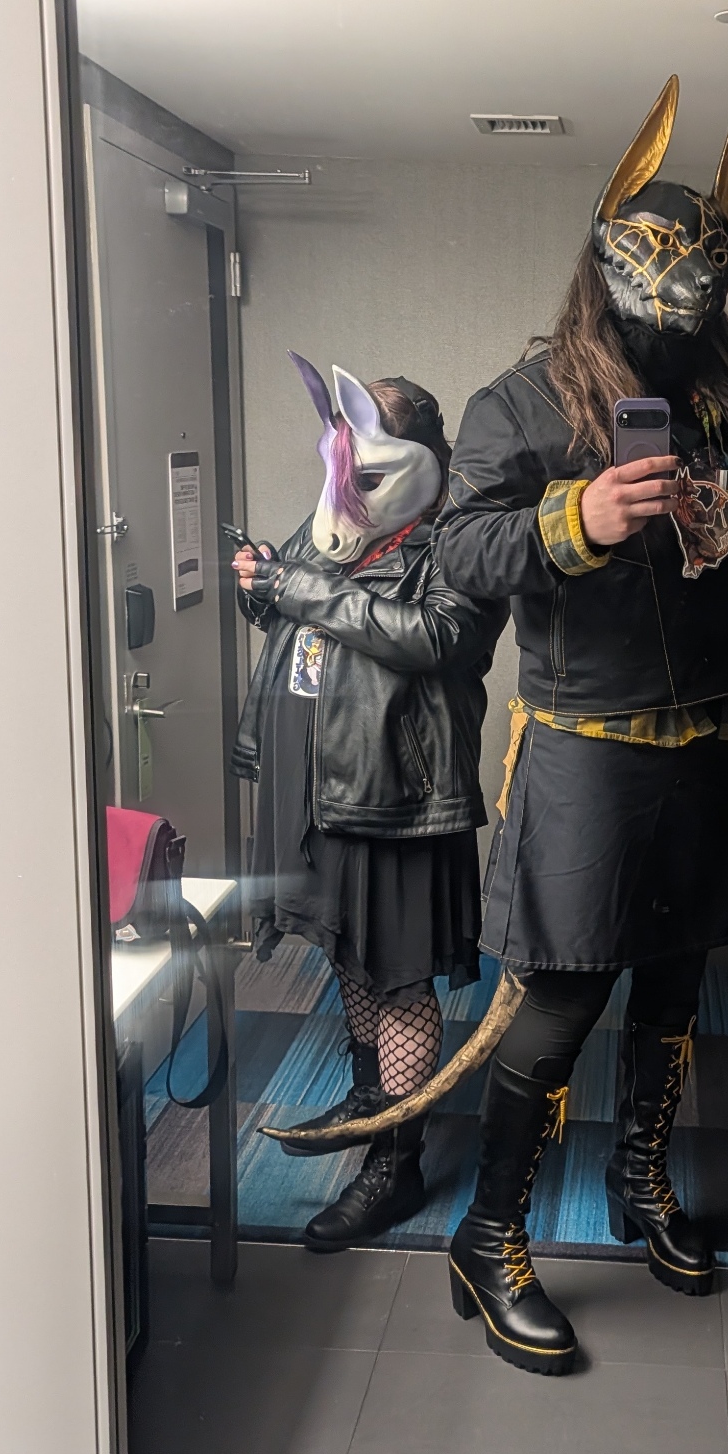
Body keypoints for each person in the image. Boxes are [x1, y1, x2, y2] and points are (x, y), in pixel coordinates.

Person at [432, 76, 728, 1374]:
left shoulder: (727, 410)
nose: (669, 320)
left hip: (713, 753)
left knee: (678, 983)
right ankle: (489, 1234)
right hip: (588, 761)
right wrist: (577, 518)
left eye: (693, 298)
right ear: (604, 273)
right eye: (652, 292)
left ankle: (640, 1183)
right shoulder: (522, 404)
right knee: (557, 1006)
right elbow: (458, 551)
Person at [230, 355, 504, 1251]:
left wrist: (299, 588)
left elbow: (437, 636)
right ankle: (369, 1099)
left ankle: (395, 1164)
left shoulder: (462, 539)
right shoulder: (339, 520)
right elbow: (300, 610)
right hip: (324, 788)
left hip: (397, 796)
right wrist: (261, 585)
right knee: (350, 955)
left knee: (398, 975)